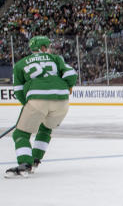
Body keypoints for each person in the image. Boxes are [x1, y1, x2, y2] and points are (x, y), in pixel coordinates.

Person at [5, 36, 77, 178]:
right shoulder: (55, 58)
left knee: (20, 133)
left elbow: (18, 91)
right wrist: (68, 85)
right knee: (45, 128)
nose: (49, 49)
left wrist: (28, 106)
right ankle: (36, 160)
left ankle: (25, 164)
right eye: (48, 46)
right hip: (62, 101)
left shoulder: (20, 64)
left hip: (37, 100)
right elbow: (71, 74)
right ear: (43, 48)